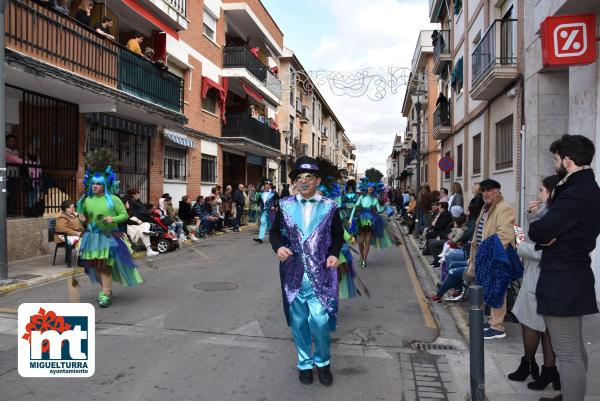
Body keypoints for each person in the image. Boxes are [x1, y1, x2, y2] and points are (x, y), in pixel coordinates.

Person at [529, 134, 600, 401]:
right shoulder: (584, 188)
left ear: (568, 162)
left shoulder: (576, 193)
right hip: (573, 275)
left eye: (557, 160)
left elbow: (539, 231)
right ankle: (572, 393)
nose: (555, 164)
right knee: (574, 345)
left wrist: (544, 231)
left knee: (567, 351)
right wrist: (548, 234)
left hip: (563, 280)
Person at [269, 156, 344, 386]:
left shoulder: (330, 206)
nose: (303, 182)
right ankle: (304, 364)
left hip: (321, 273)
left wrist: (333, 253)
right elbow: (275, 233)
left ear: (317, 180)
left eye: (308, 177)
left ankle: (323, 363)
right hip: (292, 273)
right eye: (299, 178)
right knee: (299, 321)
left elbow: (338, 235)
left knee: (320, 321)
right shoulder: (285, 205)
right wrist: (278, 247)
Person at [508, 175, 561, 391]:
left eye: (541, 190)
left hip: (541, 278)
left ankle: (534, 366)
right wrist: (533, 215)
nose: (538, 194)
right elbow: (537, 237)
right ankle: (545, 369)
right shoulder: (551, 212)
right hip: (539, 277)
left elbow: (540, 248)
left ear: (552, 193)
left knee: (534, 325)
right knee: (544, 327)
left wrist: (520, 244)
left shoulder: (557, 217)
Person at [77, 160, 143, 307]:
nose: (95, 186)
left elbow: (124, 215)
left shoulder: (113, 199)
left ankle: (106, 293)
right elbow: (85, 219)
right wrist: (82, 219)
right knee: (94, 266)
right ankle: (106, 289)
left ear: (104, 185)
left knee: (103, 265)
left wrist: (113, 218)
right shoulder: (87, 200)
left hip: (109, 237)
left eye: (98, 183)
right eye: (93, 183)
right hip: (92, 237)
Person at [464, 179, 517, 340]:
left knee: (497, 290)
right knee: (489, 290)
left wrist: (487, 253)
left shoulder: (504, 208)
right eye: (484, 190)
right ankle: (492, 321)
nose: (486, 193)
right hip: (483, 256)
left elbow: (505, 236)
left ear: (498, 191)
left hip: (495, 257)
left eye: (489, 190)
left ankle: (497, 327)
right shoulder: (486, 207)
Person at [348, 172, 392, 268]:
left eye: (372, 187)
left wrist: (385, 207)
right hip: (361, 218)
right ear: (366, 187)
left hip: (371, 220)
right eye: (369, 186)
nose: (370, 188)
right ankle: (362, 256)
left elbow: (379, 210)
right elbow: (355, 207)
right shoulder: (361, 197)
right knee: (360, 240)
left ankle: (364, 259)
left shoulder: (375, 199)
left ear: (374, 188)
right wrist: (351, 218)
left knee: (367, 240)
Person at [253, 178, 278, 244]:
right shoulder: (261, 193)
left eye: (267, 184)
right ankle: (260, 238)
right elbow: (258, 201)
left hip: (271, 212)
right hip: (263, 211)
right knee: (263, 222)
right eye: (265, 185)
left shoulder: (274, 193)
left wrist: (274, 206)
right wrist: (258, 206)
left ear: (270, 186)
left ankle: (274, 237)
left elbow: (278, 200)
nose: (266, 186)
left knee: (272, 225)